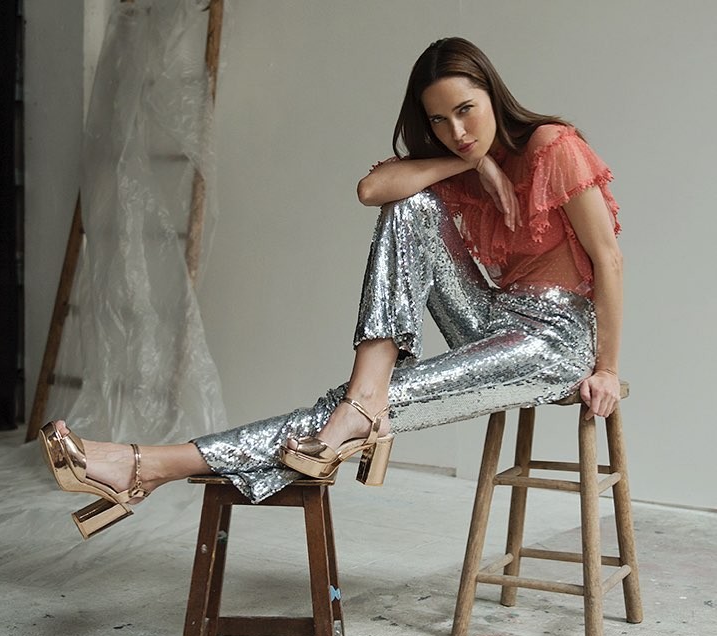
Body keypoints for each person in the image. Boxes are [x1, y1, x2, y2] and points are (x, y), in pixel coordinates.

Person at [39, 37, 623, 539]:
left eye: (467, 111)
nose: (457, 132)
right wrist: (472, 165)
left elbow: (609, 260)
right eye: (440, 121)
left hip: (555, 341)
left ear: (493, 94)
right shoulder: (462, 162)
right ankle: (363, 398)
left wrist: (606, 368)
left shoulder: (552, 146)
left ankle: (147, 465)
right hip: (491, 317)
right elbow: (373, 190)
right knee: (409, 205)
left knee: (354, 410)